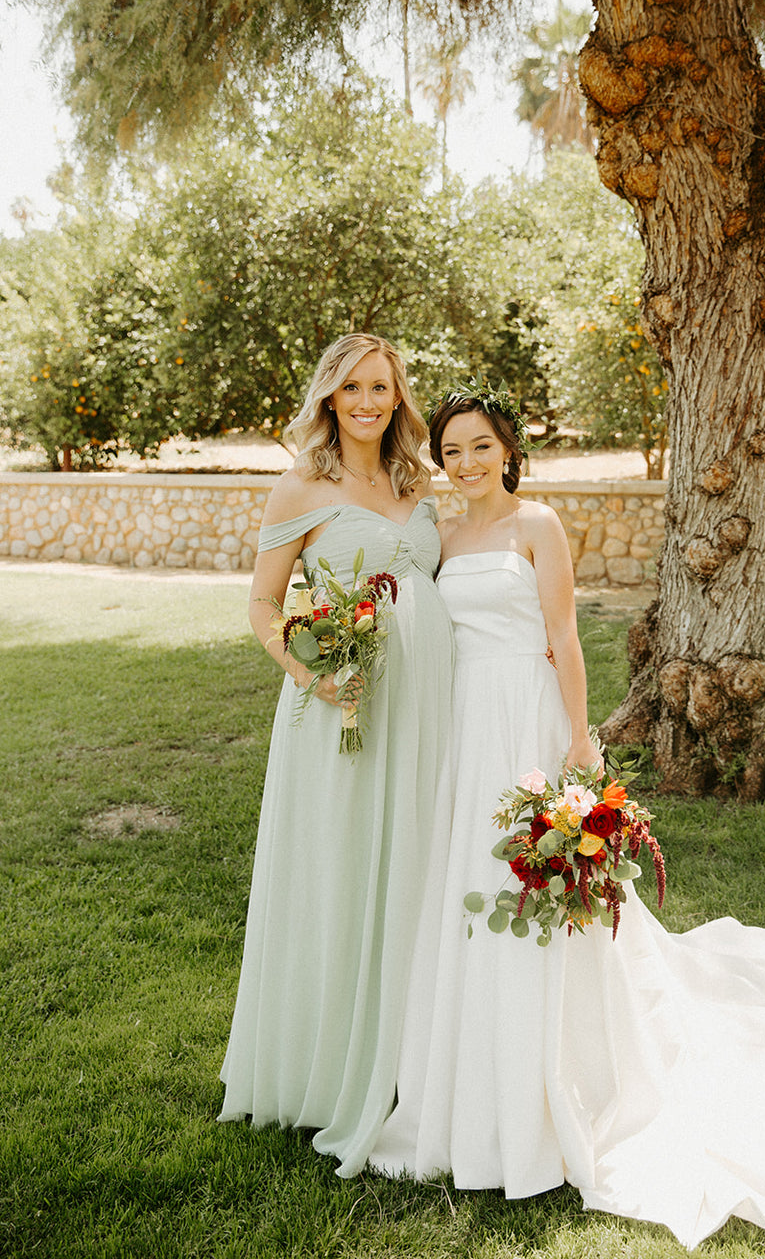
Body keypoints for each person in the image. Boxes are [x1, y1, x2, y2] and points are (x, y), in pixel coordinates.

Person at [369, 383, 765, 1250]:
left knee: (544, 895)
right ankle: (469, 1084)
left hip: (526, 718)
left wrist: (578, 746)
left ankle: (562, 1083)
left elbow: (561, 637)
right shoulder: (441, 536)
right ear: (440, 461)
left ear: (508, 450)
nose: (468, 463)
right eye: (453, 451)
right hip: (462, 727)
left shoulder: (536, 526)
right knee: (470, 886)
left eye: (482, 446)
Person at [218, 334, 454, 1174]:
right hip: (340, 707)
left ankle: (410, 1058)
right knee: (342, 869)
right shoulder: (302, 486)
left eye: (381, 387)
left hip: (427, 703)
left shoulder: (420, 483)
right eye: (351, 387)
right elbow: (260, 602)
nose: (366, 401)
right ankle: (327, 1066)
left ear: (399, 398)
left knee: (419, 865)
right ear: (328, 397)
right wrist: (309, 674)